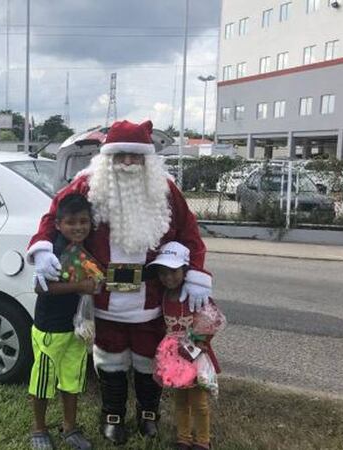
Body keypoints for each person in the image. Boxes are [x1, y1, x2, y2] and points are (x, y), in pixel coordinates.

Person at [27, 120, 212, 444]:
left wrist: (196, 273)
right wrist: (42, 248)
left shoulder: (165, 189)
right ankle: (112, 416)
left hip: (152, 300)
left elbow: (190, 232)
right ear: (107, 158)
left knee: (147, 358)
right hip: (103, 297)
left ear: (147, 159)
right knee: (109, 357)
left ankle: (147, 414)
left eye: (135, 156)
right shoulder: (88, 184)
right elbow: (53, 215)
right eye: (120, 156)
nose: (127, 163)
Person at [28, 193, 96, 450]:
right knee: (43, 381)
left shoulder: (85, 249)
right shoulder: (52, 249)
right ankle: (39, 428)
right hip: (50, 328)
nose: (78, 227)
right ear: (58, 224)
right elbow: (40, 287)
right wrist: (80, 285)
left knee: (72, 380)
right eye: (71, 222)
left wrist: (94, 285)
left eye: (83, 221)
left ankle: (70, 427)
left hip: (75, 328)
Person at [147, 242, 221, 450]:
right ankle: (184, 438)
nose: (168, 277)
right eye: (163, 273)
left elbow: (213, 321)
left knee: (199, 402)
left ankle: (203, 441)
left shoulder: (196, 296)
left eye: (174, 272)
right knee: (180, 400)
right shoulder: (164, 297)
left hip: (195, 356)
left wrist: (199, 342)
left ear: (185, 270)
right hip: (174, 359)